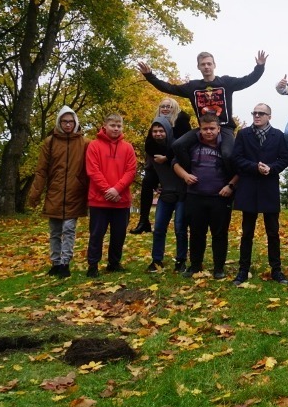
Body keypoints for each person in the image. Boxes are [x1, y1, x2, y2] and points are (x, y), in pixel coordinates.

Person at [137, 50, 267, 166]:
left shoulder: (225, 83)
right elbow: (169, 88)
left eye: (209, 64)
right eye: (203, 64)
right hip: (203, 128)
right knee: (178, 145)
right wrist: (150, 76)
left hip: (225, 127)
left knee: (228, 154)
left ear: (214, 65)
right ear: (198, 67)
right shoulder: (193, 87)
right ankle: (191, 175)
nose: (206, 67)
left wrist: (259, 67)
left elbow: (247, 80)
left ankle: (231, 184)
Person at [232, 104, 288, 285]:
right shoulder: (243, 134)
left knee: (272, 232)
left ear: (269, 116)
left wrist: (271, 168)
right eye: (254, 113)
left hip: (268, 186)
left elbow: (284, 158)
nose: (257, 116)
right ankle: (243, 270)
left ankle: (276, 270)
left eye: (261, 113)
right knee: (247, 232)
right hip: (248, 186)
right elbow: (236, 157)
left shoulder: (278, 135)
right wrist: (254, 167)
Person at [28, 106, 90, 278]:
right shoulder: (50, 142)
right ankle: (55, 262)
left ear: (76, 122)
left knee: (69, 228)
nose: (68, 125)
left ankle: (65, 263)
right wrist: (35, 194)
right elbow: (41, 170)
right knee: (55, 230)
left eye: (71, 121)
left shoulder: (84, 143)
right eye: (64, 121)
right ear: (59, 122)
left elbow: (91, 169)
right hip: (54, 192)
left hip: (75, 192)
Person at [174, 114, 238, 280]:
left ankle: (218, 268)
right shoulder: (192, 145)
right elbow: (175, 163)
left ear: (219, 129)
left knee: (220, 234)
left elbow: (240, 170)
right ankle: (195, 266)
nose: (208, 132)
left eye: (212, 128)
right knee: (196, 233)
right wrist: (185, 176)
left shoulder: (228, 147)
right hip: (195, 197)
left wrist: (230, 186)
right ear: (199, 129)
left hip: (220, 198)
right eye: (205, 129)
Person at [85, 113, 137, 277]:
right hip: (99, 200)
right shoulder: (94, 146)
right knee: (96, 234)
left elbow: (131, 171)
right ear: (105, 126)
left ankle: (114, 263)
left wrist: (117, 189)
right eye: (113, 125)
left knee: (119, 234)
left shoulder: (127, 147)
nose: (116, 129)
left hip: (121, 200)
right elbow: (93, 171)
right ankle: (93, 265)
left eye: (119, 126)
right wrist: (108, 190)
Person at [130, 98, 191, 234]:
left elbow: (182, 144)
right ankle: (143, 220)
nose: (165, 108)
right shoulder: (156, 123)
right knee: (147, 182)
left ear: (174, 107)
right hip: (159, 162)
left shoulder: (181, 120)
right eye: (162, 106)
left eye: (168, 106)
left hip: (176, 161)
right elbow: (149, 145)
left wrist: (167, 157)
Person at [145, 115, 188, 273]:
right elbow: (151, 171)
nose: (158, 134)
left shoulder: (178, 147)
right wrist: (155, 185)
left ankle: (181, 260)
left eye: (161, 130)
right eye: (155, 131)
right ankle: (157, 260)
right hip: (165, 194)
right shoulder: (151, 150)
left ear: (168, 131)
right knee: (159, 228)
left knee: (180, 228)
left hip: (182, 193)